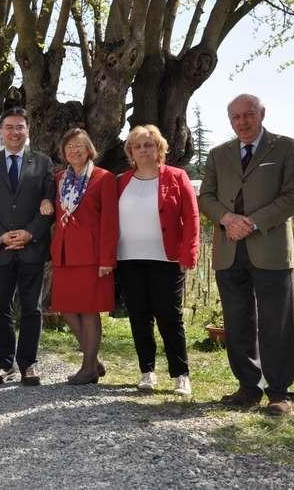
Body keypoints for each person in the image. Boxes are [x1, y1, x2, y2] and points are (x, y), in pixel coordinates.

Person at [199, 94, 294, 415]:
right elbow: (206, 196)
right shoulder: (219, 154)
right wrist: (227, 219)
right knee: (237, 321)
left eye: (248, 115)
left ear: (262, 114)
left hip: (270, 248)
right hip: (228, 248)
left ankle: (279, 393)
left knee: (276, 321)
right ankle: (248, 387)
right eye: (235, 117)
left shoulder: (286, 147)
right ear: (229, 121)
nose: (242, 122)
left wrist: (254, 222)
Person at [116, 125, 199, 396]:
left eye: (148, 145)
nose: (143, 150)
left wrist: (189, 252)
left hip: (167, 259)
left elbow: (192, 217)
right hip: (128, 258)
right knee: (139, 317)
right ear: (130, 151)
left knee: (169, 316)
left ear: (159, 148)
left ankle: (180, 375)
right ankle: (147, 372)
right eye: (137, 146)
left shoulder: (177, 176)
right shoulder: (120, 181)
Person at [0, 107, 54, 387]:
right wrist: (0, 235)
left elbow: (49, 205)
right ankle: (3, 363)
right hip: (0, 249)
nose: (14, 132)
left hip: (32, 247)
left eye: (20, 127)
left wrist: (30, 233)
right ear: (1, 131)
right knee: (0, 308)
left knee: (32, 308)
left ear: (28, 131)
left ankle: (28, 364)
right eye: (9, 127)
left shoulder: (43, 163)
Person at [48, 128, 117, 385]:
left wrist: (107, 259)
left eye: (79, 145)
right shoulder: (59, 179)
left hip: (92, 255)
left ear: (89, 148)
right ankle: (93, 359)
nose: (74, 150)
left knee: (89, 311)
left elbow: (110, 222)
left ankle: (87, 367)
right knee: (65, 308)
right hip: (64, 253)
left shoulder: (104, 178)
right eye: (69, 147)